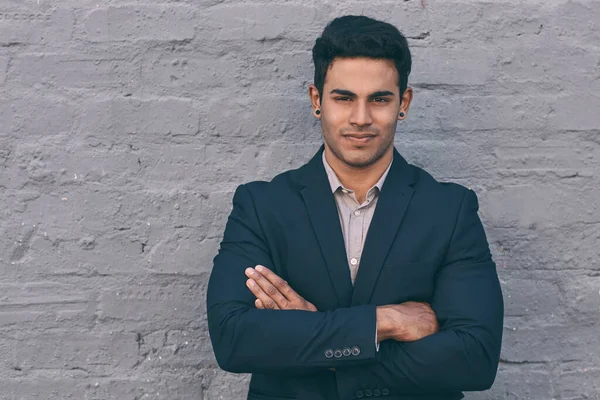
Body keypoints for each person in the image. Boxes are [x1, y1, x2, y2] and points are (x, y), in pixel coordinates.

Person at [206, 15, 504, 400]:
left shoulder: (449, 210)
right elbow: (234, 340)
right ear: (317, 101)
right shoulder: (262, 206)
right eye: (344, 98)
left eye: (379, 99)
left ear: (404, 103)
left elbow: (474, 359)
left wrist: (315, 342)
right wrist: (386, 321)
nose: (360, 119)